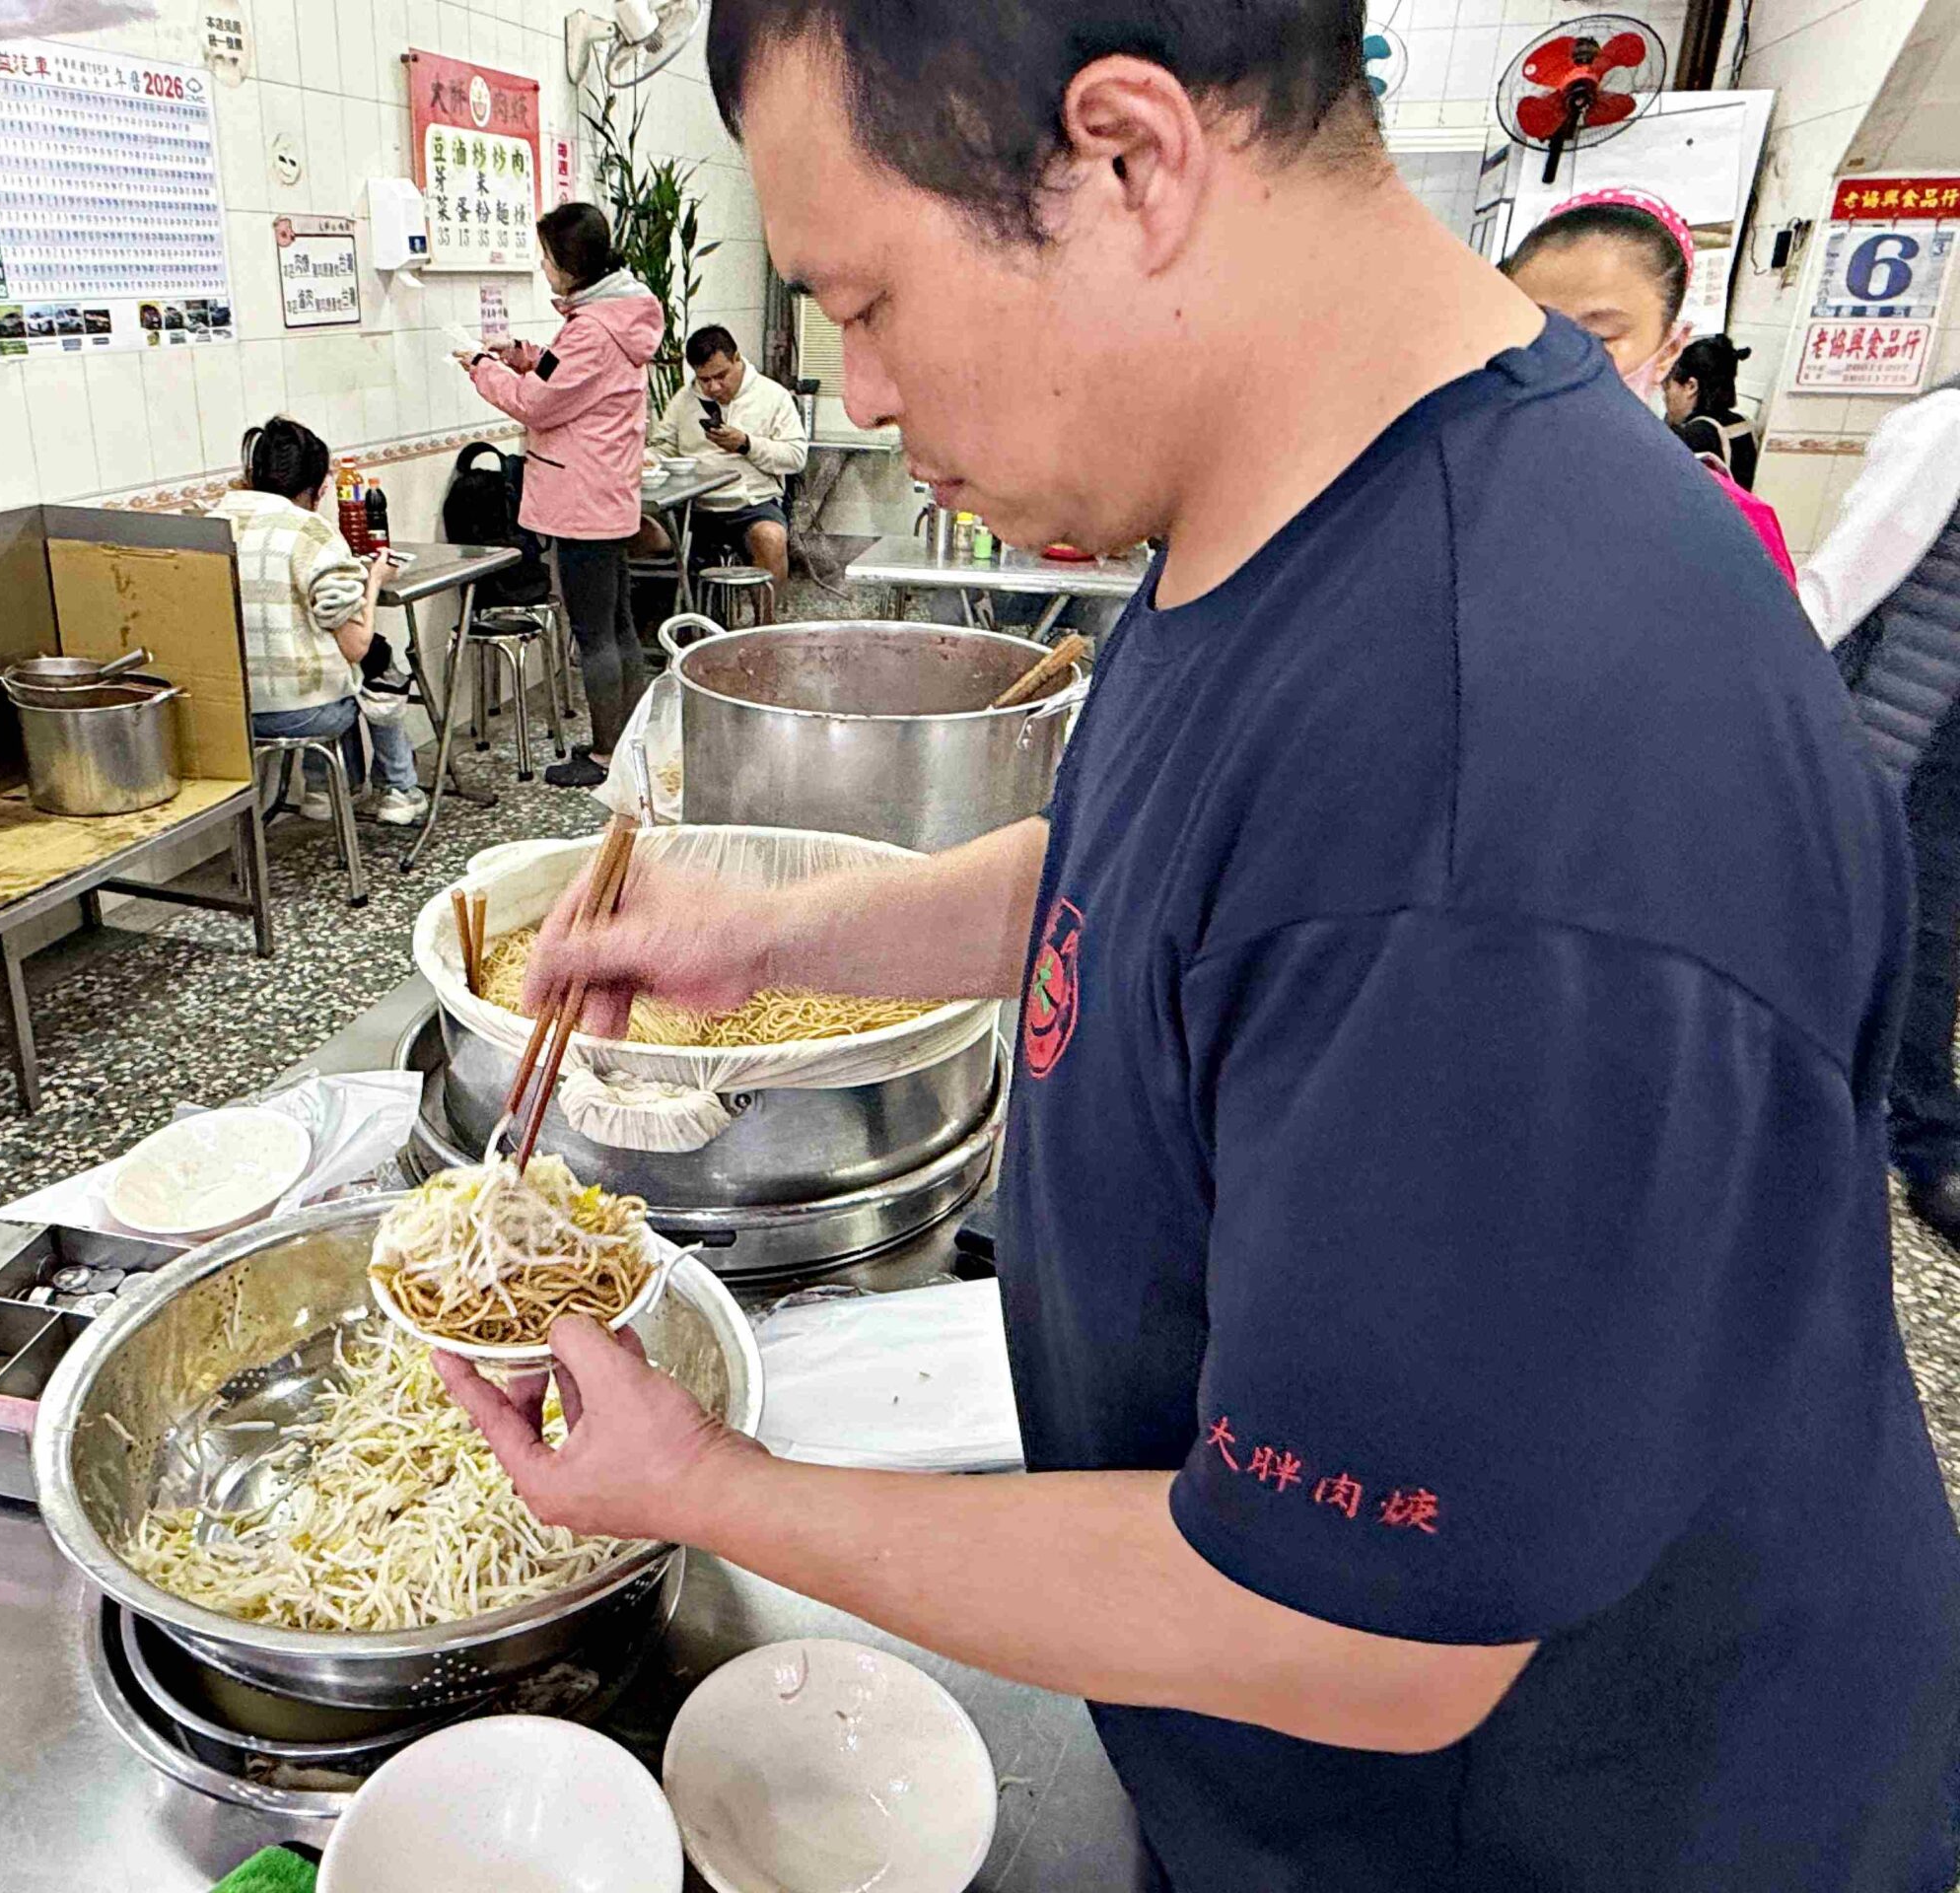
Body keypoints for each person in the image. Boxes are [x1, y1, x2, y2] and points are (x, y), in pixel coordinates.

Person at [432, 1, 1960, 1887]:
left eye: (871, 303)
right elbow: (1153, 873)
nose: (869, 393)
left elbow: (1365, 1637)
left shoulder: (1518, 770)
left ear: (1130, 160)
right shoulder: (1294, 502)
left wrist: (700, 1488)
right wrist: (771, 937)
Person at [1806, 376, 1960, 1242]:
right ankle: (1932, 1146)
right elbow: (1844, 579)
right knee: (1918, 937)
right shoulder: (1948, 427)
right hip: (1901, 731)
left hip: (1939, 743)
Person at [457, 203, 663, 790]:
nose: (542, 266)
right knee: (618, 624)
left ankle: (604, 755)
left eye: (547, 257)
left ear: (571, 265)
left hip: (580, 500)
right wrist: (523, 354)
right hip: (607, 493)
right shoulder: (617, 314)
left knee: (596, 632)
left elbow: (536, 403)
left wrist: (479, 366)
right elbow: (561, 377)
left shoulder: (593, 330)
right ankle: (627, 741)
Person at [1503, 188, 1795, 581]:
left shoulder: (1722, 524)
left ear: (1669, 349)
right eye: (1527, 329)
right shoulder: (1457, 478)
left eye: (1597, 337)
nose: (1554, 357)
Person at [210, 417, 425, 826]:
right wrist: (373, 580)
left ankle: (324, 788)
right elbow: (354, 646)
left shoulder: (211, 524)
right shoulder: (311, 533)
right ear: (320, 487)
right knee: (375, 659)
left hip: (227, 710)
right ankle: (399, 790)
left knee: (320, 660)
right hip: (303, 713)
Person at [637, 324, 808, 593]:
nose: (714, 387)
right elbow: (664, 447)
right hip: (693, 506)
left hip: (750, 503)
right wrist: (647, 459)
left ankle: (766, 629)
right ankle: (669, 620)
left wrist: (746, 444)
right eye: (704, 380)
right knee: (634, 530)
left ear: (737, 359)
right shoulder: (684, 399)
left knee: (771, 538)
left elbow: (796, 457)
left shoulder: (773, 396)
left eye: (721, 376)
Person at [1664, 333, 1760, 486]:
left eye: (1667, 387)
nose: (1666, 397)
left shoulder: (1695, 435)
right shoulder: (1745, 424)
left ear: (1691, 386)